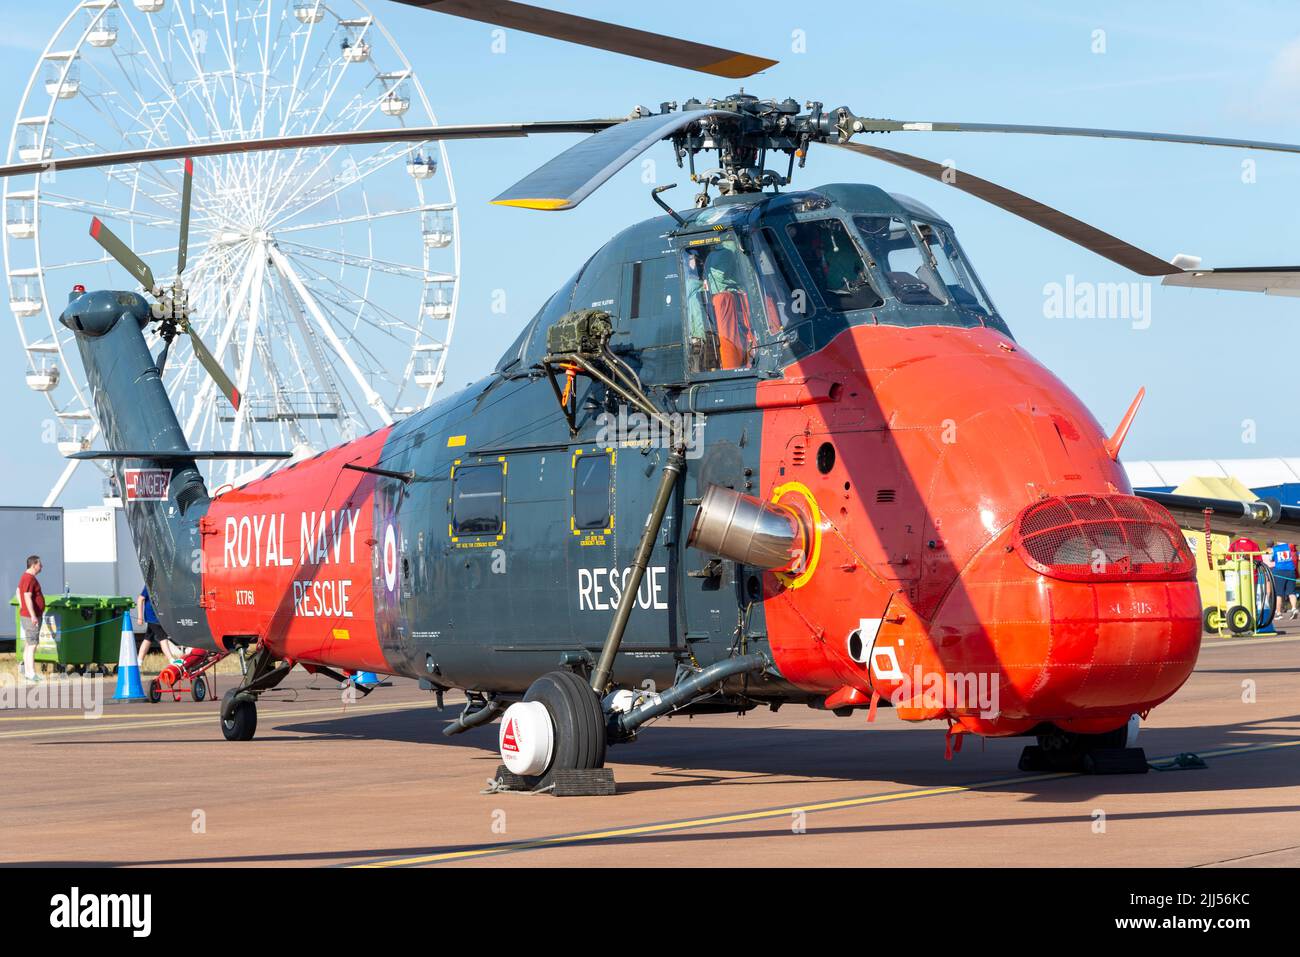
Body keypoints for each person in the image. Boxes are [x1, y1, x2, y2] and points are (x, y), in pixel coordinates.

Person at [135, 586, 183, 668]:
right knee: (163, 638)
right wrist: (140, 617)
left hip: (160, 617)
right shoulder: (149, 585)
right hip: (152, 617)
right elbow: (140, 599)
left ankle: (138, 662)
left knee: (148, 638)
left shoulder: (164, 585)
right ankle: (171, 660)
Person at [15, 555, 44, 683]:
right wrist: (32, 615)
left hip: (27, 615)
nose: (41, 567)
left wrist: (22, 607)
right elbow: (27, 596)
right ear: (33, 565)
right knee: (32, 645)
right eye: (39, 564)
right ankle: (31, 673)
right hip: (31, 617)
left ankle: (27, 672)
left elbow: (17, 591)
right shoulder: (29, 578)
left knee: (28, 644)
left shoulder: (25, 577)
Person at [1266, 541, 1299, 620]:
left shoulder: (1275, 548)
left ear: (1278, 541)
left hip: (1279, 571)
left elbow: (1271, 559)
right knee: (1292, 592)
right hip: (1291, 571)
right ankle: (1294, 608)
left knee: (1279, 594)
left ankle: (1279, 613)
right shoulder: (1290, 547)